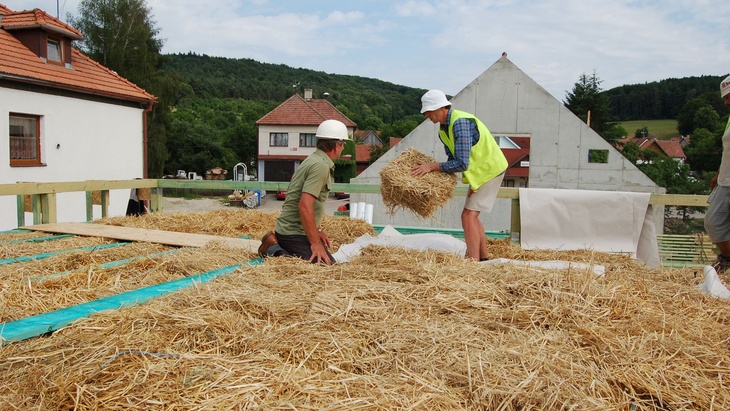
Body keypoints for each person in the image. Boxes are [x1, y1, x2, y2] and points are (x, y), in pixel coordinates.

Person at [411, 90, 508, 261]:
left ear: (441, 108)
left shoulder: (460, 123)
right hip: (480, 174)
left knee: (468, 216)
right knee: (472, 215)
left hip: (490, 170)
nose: (426, 115)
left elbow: (462, 163)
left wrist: (432, 166)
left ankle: (472, 261)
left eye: (429, 111)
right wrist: (469, 182)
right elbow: (453, 159)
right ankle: (483, 257)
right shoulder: (443, 130)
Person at [258, 119, 350, 265]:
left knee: (330, 264)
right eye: (343, 144)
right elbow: (304, 206)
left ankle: (276, 245)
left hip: (295, 231)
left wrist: (317, 230)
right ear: (337, 145)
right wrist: (315, 243)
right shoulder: (320, 166)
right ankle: (273, 249)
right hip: (293, 233)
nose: (343, 148)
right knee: (324, 270)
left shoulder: (313, 159)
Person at [704, 75, 730, 274]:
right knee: (713, 223)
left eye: (729, 96)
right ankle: (728, 258)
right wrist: (718, 173)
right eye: (725, 97)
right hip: (725, 180)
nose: (726, 101)